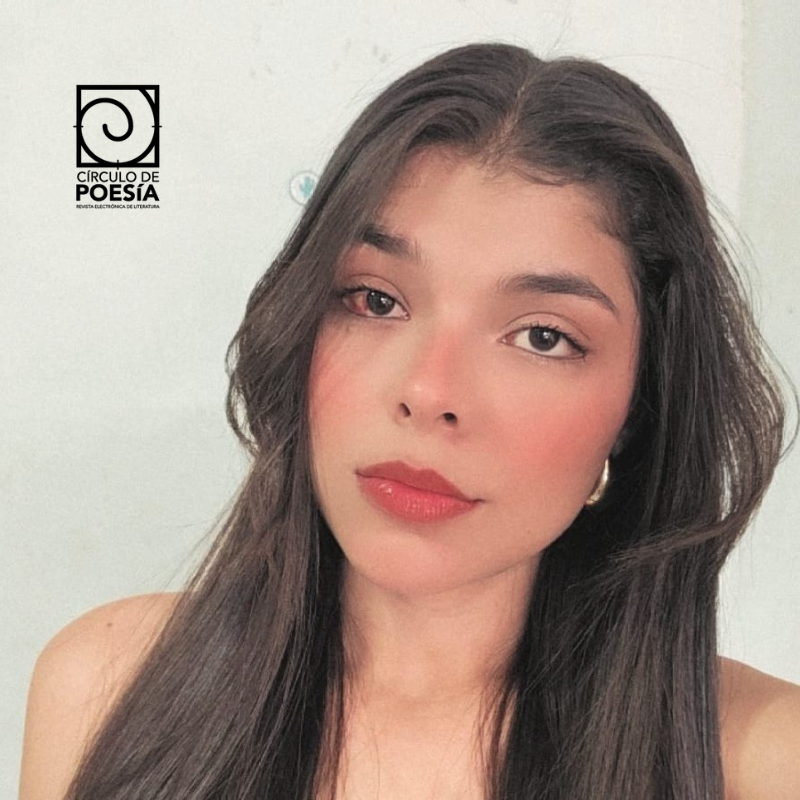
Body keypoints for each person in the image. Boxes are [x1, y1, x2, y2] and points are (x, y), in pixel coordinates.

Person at [19, 42, 800, 800]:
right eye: (375, 300)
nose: (429, 392)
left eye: (542, 336)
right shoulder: (103, 688)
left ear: (639, 406)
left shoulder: (765, 762)